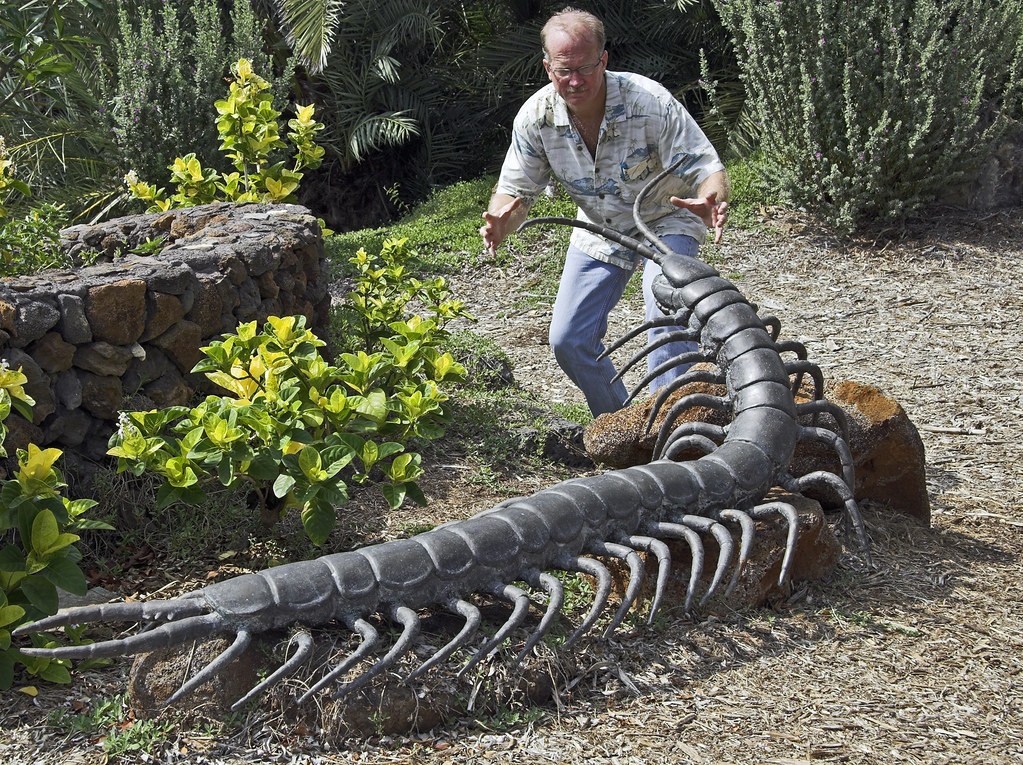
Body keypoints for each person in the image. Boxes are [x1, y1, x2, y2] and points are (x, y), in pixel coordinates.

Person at [480, 6, 730, 417]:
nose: (575, 81)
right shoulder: (536, 118)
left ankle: (682, 426)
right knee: (568, 339)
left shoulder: (649, 102)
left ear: (604, 60)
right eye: (564, 70)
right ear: (547, 68)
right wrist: (501, 222)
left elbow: (706, 167)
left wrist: (711, 199)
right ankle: (626, 428)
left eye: (585, 68)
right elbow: (515, 191)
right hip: (599, 226)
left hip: (665, 217)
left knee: (664, 307)